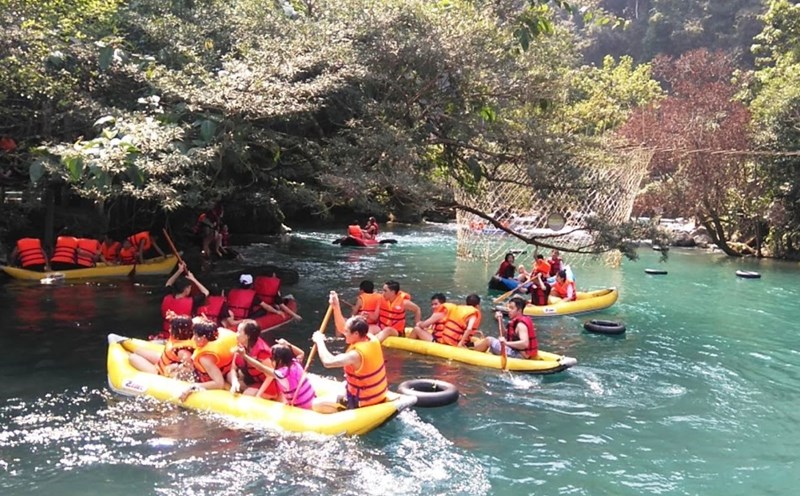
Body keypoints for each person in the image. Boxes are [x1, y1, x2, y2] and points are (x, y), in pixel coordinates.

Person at [311, 291, 389, 412]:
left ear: (356, 333)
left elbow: (328, 362)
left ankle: (344, 412)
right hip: (376, 393)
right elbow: (342, 326)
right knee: (341, 386)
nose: (343, 333)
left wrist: (320, 341)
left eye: (347, 332)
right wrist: (336, 306)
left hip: (362, 401)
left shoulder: (355, 355)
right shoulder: (369, 337)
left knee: (316, 404)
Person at [236, 339, 315, 409]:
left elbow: (261, 367)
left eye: (272, 358)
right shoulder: (295, 363)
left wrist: (244, 356)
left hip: (302, 407)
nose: (270, 360)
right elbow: (301, 353)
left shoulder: (282, 374)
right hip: (312, 400)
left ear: (279, 360)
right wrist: (287, 344)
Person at [179, 317, 238, 402]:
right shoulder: (219, 333)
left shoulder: (205, 358)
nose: (193, 338)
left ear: (203, 338)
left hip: (222, 376)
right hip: (228, 369)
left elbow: (219, 383)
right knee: (181, 368)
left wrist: (193, 387)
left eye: (195, 335)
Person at [154, 262, 210, 340]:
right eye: (190, 288)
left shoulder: (167, 297)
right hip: (182, 337)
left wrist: (179, 271)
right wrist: (193, 279)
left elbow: (169, 283)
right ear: (186, 290)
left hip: (166, 334)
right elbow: (206, 292)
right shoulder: (192, 301)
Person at [129, 315, 195, 380]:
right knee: (138, 350)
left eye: (171, 328)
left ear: (179, 331)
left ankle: (157, 373)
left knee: (132, 357)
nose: (169, 329)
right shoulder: (181, 337)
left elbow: (190, 370)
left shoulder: (183, 352)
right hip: (164, 362)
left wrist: (174, 370)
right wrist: (174, 317)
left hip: (162, 372)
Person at [228, 319, 280, 399]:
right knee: (233, 380)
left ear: (247, 336)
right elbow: (233, 368)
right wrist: (234, 382)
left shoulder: (262, 351)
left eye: (238, 332)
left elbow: (271, 376)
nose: (236, 334)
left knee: (247, 394)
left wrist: (258, 395)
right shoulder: (241, 345)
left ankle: (272, 395)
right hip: (253, 380)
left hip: (269, 383)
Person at [473, 297, 538, 359]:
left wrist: (506, 343)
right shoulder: (517, 321)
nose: (508, 310)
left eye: (512, 308)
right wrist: (500, 320)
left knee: (488, 340)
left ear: (519, 310)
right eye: (508, 307)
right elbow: (504, 334)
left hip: (519, 355)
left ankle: (471, 352)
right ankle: (474, 346)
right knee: (490, 340)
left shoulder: (520, 325)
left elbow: (524, 343)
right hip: (518, 351)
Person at [408, 293, 482, 347]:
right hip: (452, 340)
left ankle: (408, 346)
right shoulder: (454, 311)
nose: (433, 307)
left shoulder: (440, 313)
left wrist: (419, 323)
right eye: (432, 304)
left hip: (440, 342)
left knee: (416, 329)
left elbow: (423, 325)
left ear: (442, 304)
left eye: (436, 304)